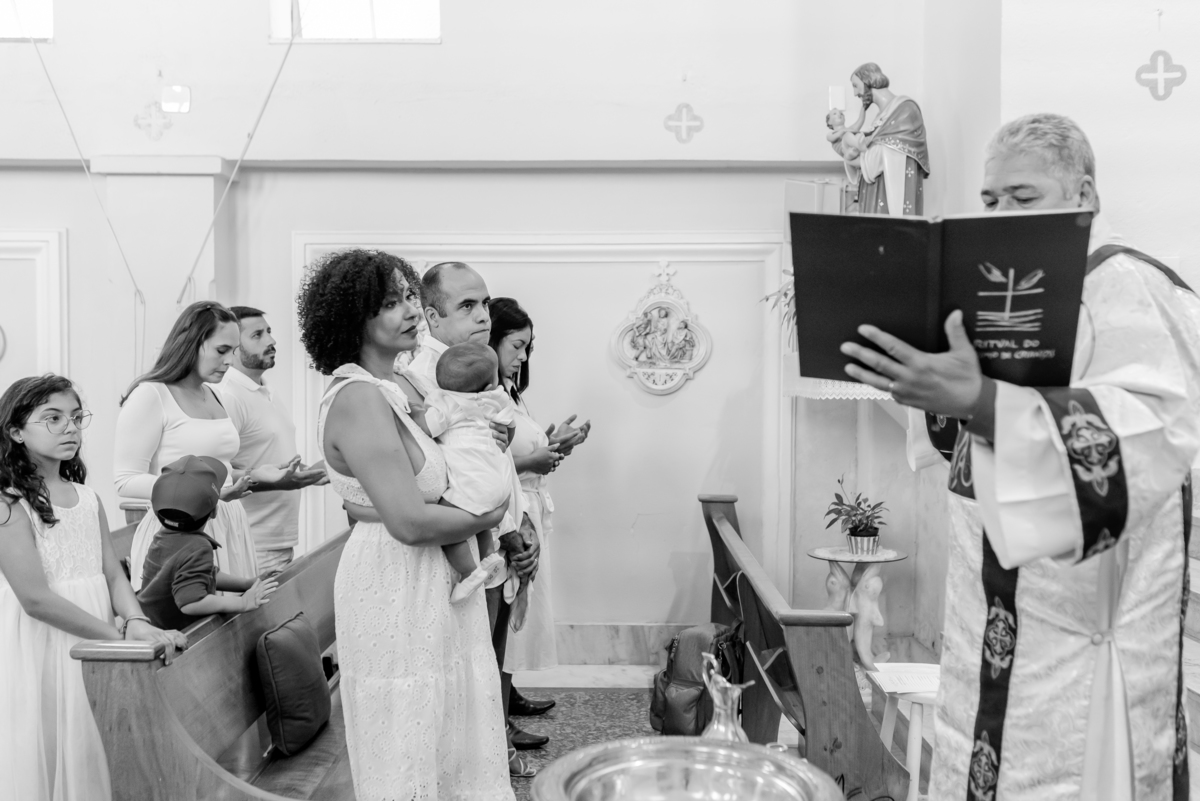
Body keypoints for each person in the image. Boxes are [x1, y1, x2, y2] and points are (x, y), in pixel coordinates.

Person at [840, 113, 1200, 800]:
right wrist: (926, 384)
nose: (1002, 214)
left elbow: (1146, 444)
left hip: (1076, 649)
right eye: (990, 199)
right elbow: (964, 446)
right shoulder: (1009, 286)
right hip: (991, 621)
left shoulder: (1127, 287)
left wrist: (980, 400)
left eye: (1023, 196)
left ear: (1085, 193)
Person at [297, 248, 515, 800]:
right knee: (408, 737)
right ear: (355, 318)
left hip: (434, 578)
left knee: (452, 734)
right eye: (391, 302)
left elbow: (432, 483)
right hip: (395, 581)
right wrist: (491, 513)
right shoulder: (358, 398)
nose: (412, 310)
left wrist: (489, 439)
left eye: (410, 296)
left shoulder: (401, 387)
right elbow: (411, 523)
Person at [0, 374, 186, 801]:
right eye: (53, 418)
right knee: (47, 744)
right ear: (16, 431)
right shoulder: (9, 504)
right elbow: (35, 599)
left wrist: (136, 621)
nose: (70, 427)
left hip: (97, 636)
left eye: (75, 417)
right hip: (42, 642)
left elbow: (112, 574)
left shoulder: (87, 498)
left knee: (88, 745)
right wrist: (114, 639)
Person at [407, 262, 547, 766]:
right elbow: (440, 476)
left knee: (486, 657)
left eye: (485, 303)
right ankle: (479, 762)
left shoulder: (476, 368)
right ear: (432, 316)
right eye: (467, 306)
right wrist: (504, 532)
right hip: (456, 543)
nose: (484, 316)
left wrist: (518, 528)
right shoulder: (422, 379)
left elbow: (491, 460)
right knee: (466, 665)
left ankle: (490, 754)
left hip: (494, 531)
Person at [115, 301, 299, 590]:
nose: (229, 362)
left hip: (229, 523)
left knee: (237, 614)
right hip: (181, 529)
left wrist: (255, 474)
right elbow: (125, 480)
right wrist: (205, 494)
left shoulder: (215, 394)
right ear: (192, 343)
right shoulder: (151, 395)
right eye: (221, 350)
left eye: (233, 351)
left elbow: (215, 470)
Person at [488, 298, 591, 717]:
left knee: (520, 616)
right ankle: (498, 715)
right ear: (492, 339)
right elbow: (481, 466)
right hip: (509, 516)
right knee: (508, 615)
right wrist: (535, 459)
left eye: (528, 347)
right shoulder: (485, 395)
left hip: (528, 508)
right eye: (516, 346)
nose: (523, 356)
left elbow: (521, 452)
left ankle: (506, 697)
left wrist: (554, 443)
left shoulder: (510, 392)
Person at [215, 306, 327, 574]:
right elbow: (217, 476)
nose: (271, 340)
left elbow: (267, 459)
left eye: (268, 332)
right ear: (233, 346)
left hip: (277, 540)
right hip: (250, 543)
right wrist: (279, 481)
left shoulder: (265, 390)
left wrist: (308, 472)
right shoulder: (228, 396)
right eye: (257, 335)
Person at [137, 455, 278, 630]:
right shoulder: (198, 547)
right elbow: (190, 603)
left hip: (149, 627)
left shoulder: (163, 536)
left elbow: (205, 574)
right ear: (214, 512)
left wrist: (248, 583)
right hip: (173, 636)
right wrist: (243, 603)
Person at [425, 343, 513, 603]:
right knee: (480, 513)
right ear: (490, 384)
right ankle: (488, 556)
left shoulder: (448, 402)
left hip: (474, 482)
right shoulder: (497, 398)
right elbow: (508, 427)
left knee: (444, 524)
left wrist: (415, 413)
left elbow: (428, 427)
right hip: (500, 479)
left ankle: (468, 572)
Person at [844, 62, 929, 216]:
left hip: (891, 199)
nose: (855, 93)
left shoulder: (905, 109)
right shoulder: (880, 118)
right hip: (873, 196)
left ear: (868, 80)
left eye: (856, 86)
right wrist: (851, 155)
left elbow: (886, 155)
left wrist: (856, 156)